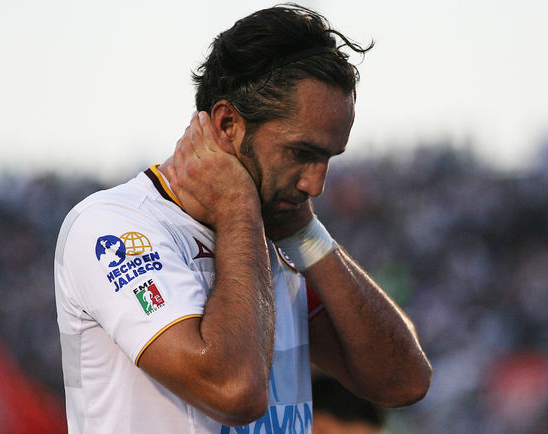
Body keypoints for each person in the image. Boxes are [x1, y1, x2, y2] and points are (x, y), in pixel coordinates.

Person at [54, 4, 432, 433]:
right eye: (301, 153)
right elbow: (234, 391)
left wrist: (308, 235)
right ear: (228, 123)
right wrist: (236, 207)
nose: (315, 185)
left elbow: (404, 382)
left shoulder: (280, 234)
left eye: (329, 158)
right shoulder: (113, 226)